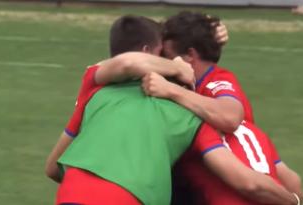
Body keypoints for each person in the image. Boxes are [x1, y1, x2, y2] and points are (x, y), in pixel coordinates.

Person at [45, 14, 300, 205]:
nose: (166, 64)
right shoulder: (190, 116)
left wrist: (173, 89)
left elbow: (231, 119)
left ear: (189, 55)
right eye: (162, 58)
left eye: (169, 58)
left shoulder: (100, 94)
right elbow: (262, 179)